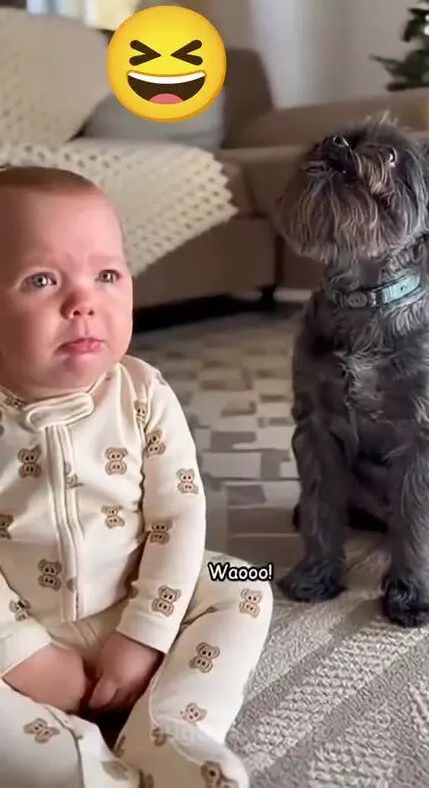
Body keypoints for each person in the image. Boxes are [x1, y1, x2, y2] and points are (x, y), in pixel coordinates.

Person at [0, 165, 273, 788]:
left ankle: (172, 725)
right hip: (20, 636)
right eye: (42, 280)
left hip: (140, 593)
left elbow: (178, 517)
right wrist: (24, 655)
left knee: (246, 577)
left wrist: (147, 631)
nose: (83, 301)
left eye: (107, 275)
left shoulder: (143, 392)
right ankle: (77, 765)